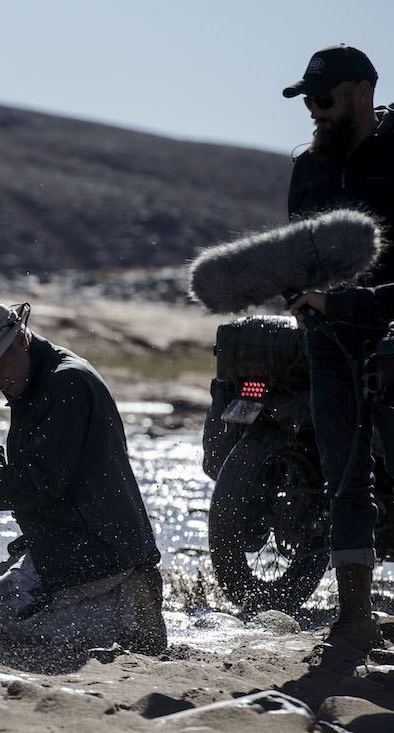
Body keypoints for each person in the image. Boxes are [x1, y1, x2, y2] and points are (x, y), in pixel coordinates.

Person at [0, 299, 166, 654]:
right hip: (69, 540)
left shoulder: (66, 385)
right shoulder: (36, 382)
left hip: (99, 552)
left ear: (21, 341)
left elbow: (37, 485)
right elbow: (40, 479)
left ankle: (123, 609)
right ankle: (107, 600)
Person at [283, 44, 394, 652]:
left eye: (322, 99)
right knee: (344, 476)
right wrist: (297, 293)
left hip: (391, 331)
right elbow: (292, 252)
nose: (313, 111)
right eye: (307, 101)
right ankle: (354, 616)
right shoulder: (308, 167)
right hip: (329, 340)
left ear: (362, 92)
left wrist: (348, 303)